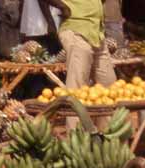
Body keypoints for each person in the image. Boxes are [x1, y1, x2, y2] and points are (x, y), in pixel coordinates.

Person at [41, 0, 116, 128]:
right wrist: (62, 6)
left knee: (109, 86)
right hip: (76, 30)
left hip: (96, 33)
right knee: (77, 90)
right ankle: (76, 139)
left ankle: (108, 137)